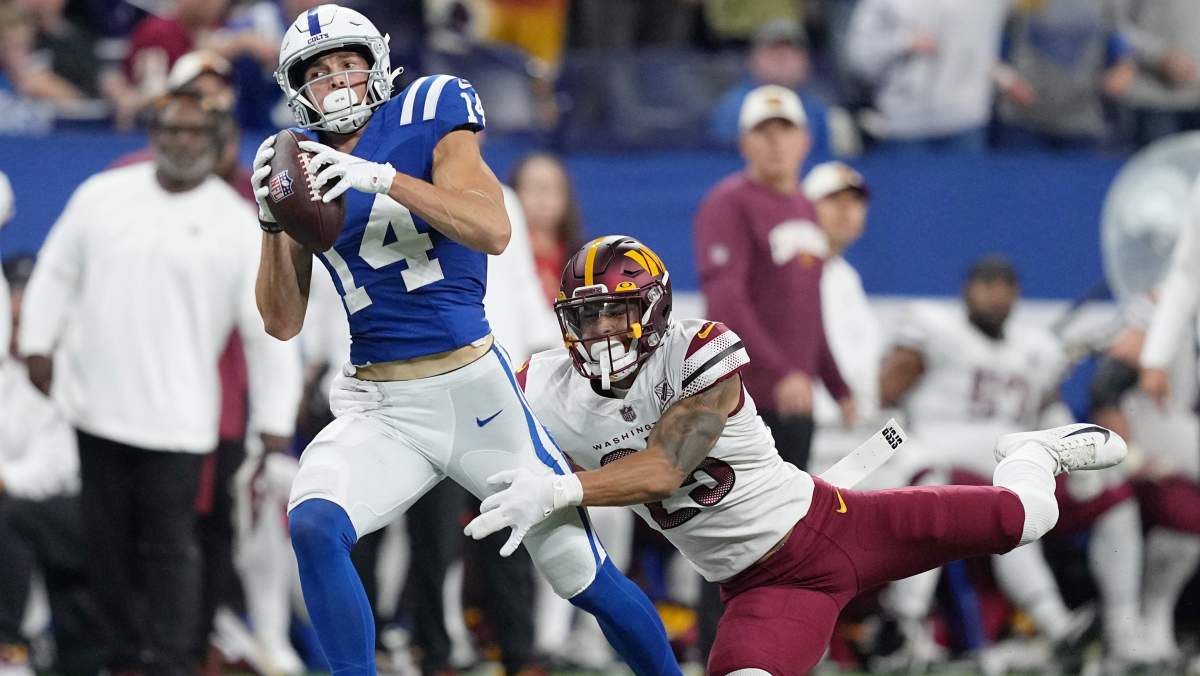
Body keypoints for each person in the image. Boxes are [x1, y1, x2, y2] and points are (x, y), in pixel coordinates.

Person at [463, 235, 1128, 675]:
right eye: (589, 316)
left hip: (836, 528)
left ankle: (1031, 455)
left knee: (1028, 517)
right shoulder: (546, 385)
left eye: (620, 311)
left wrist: (558, 489)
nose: (604, 330)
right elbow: (467, 406)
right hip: (761, 590)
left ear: (657, 309)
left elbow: (666, 468)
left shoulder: (700, 350)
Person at [249, 5, 678, 675]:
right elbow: (281, 321)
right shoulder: (299, 162)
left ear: (375, 64)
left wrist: (384, 179)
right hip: (381, 405)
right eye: (318, 71)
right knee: (313, 524)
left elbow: (492, 229)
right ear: (297, 87)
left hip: (475, 394)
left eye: (347, 63)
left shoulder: (429, 108)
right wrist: (274, 222)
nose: (335, 80)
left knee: (583, 576)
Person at [17, 90, 302, 676]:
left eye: (195, 133)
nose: (182, 142)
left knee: (172, 549)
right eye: (172, 130)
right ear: (153, 135)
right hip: (94, 409)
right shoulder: (102, 195)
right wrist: (37, 343)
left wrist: (275, 421)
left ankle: (172, 660)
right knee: (106, 547)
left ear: (216, 143)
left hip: (181, 422)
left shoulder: (234, 222)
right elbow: (56, 271)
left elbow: (265, 331)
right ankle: (119, 658)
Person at [877, 256, 1142, 668]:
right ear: (967, 290)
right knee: (1010, 505)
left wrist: (1075, 453)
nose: (997, 294)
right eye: (987, 284)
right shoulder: (936, 328)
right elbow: (885, 392)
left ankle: (1124, 628)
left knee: (1114, 494)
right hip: (948, 460)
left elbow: (1049, 409)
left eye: (1005, 286)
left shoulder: (1035, 348)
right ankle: (1050, 625)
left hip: (1019, 460)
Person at [695, 84, 855, 475]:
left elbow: (809, 310)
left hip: (795, 400)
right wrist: (781, 372)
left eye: (785, 130)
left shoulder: (805, 208)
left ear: (805, 140)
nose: (775, 142)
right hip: (744, 402)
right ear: (743, 143)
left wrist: (837, 386)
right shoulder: (728, 203)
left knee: (797, 506)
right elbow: (726, 302)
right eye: (763, 132)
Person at [0, 254, 100, 676]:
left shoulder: (62, 369)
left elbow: (56, 467)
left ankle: (10, 647)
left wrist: (5, 479)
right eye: (13, 302)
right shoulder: (5, 375)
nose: (20, 316)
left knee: (12, 518)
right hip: (26, 509)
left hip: (80, 509)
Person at [801, 162, 883, 478]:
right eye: (833, 200)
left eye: (855, 201)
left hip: (852, 431)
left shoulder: (846, 276)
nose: (846, 210)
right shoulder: (792, 269)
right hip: (813, 431)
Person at [846, 0, 1010, 153]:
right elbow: (858, 57)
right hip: (903, 126)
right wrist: (903, 42)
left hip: (966, 123)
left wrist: (1003, 76)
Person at [509, 152, 584, 303]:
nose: (542, 198)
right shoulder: (501, 256)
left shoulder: (585, 260)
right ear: (513, 194)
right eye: (534, 187)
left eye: (551, 188)